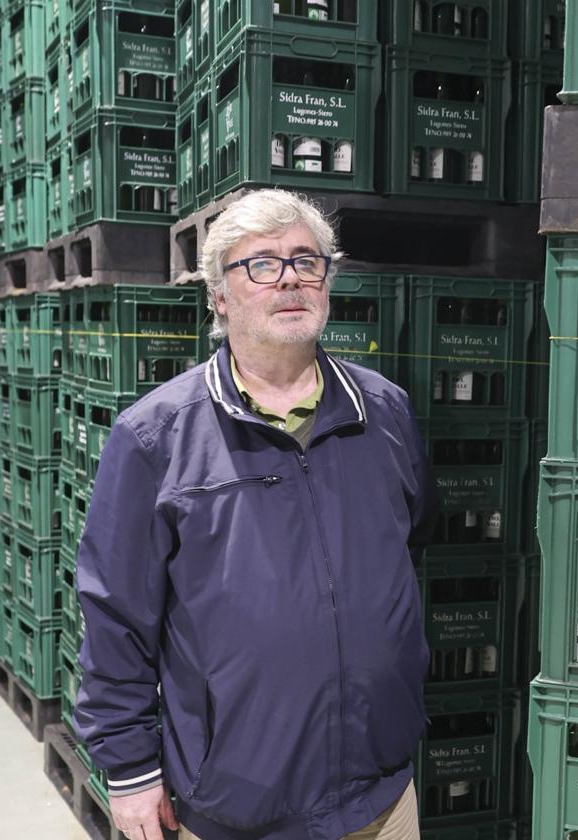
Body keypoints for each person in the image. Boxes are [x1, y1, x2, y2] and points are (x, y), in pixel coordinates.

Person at [73, 189, 437, 840]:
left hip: (379, 796)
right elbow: (115, 616)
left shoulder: (384, 412)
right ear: (219, 295)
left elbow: (409, 548)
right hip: (234, 809)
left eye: (308, 259)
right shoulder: (155, 437)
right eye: (262, 264)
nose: (291, 276)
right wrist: (129, 770)